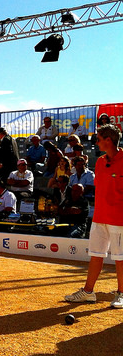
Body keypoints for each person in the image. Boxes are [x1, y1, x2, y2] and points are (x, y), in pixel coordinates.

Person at [64, 124, 123, 308]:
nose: (96, 143)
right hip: (99, 217)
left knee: (120, 257)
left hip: (119, 218)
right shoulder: (99, 161)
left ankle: (121, 293)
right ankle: (88, 292)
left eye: (98, 139)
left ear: (108, 140)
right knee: (96, 255)